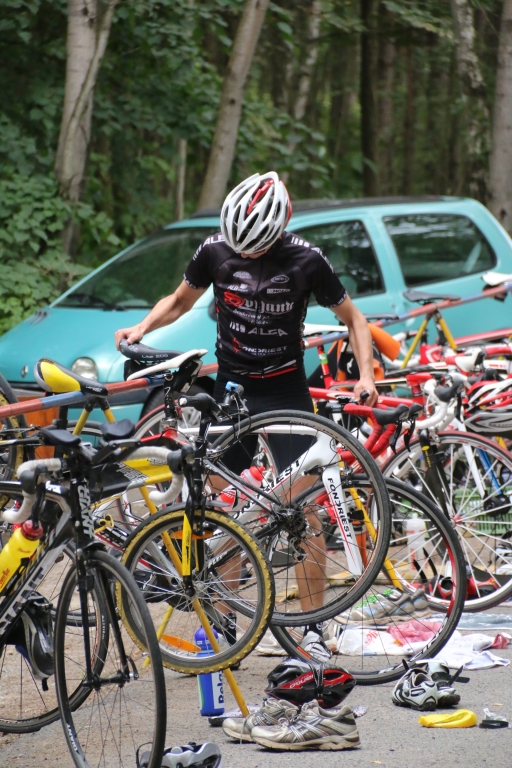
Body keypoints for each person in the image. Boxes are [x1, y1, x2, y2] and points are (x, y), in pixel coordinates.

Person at [115, 171, 378, 659]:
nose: (248, 256)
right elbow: (179, 301)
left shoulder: (307, 259)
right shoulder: (215, 250)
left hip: (284, 391)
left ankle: (313, 629)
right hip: (231, 390)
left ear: (279, 230)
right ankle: (224, 623)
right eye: (242, 250)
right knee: (224, 508)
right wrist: (142, 326)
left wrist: (365, 374)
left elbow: (355, 320)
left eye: (257, 250)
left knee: (303, 512)